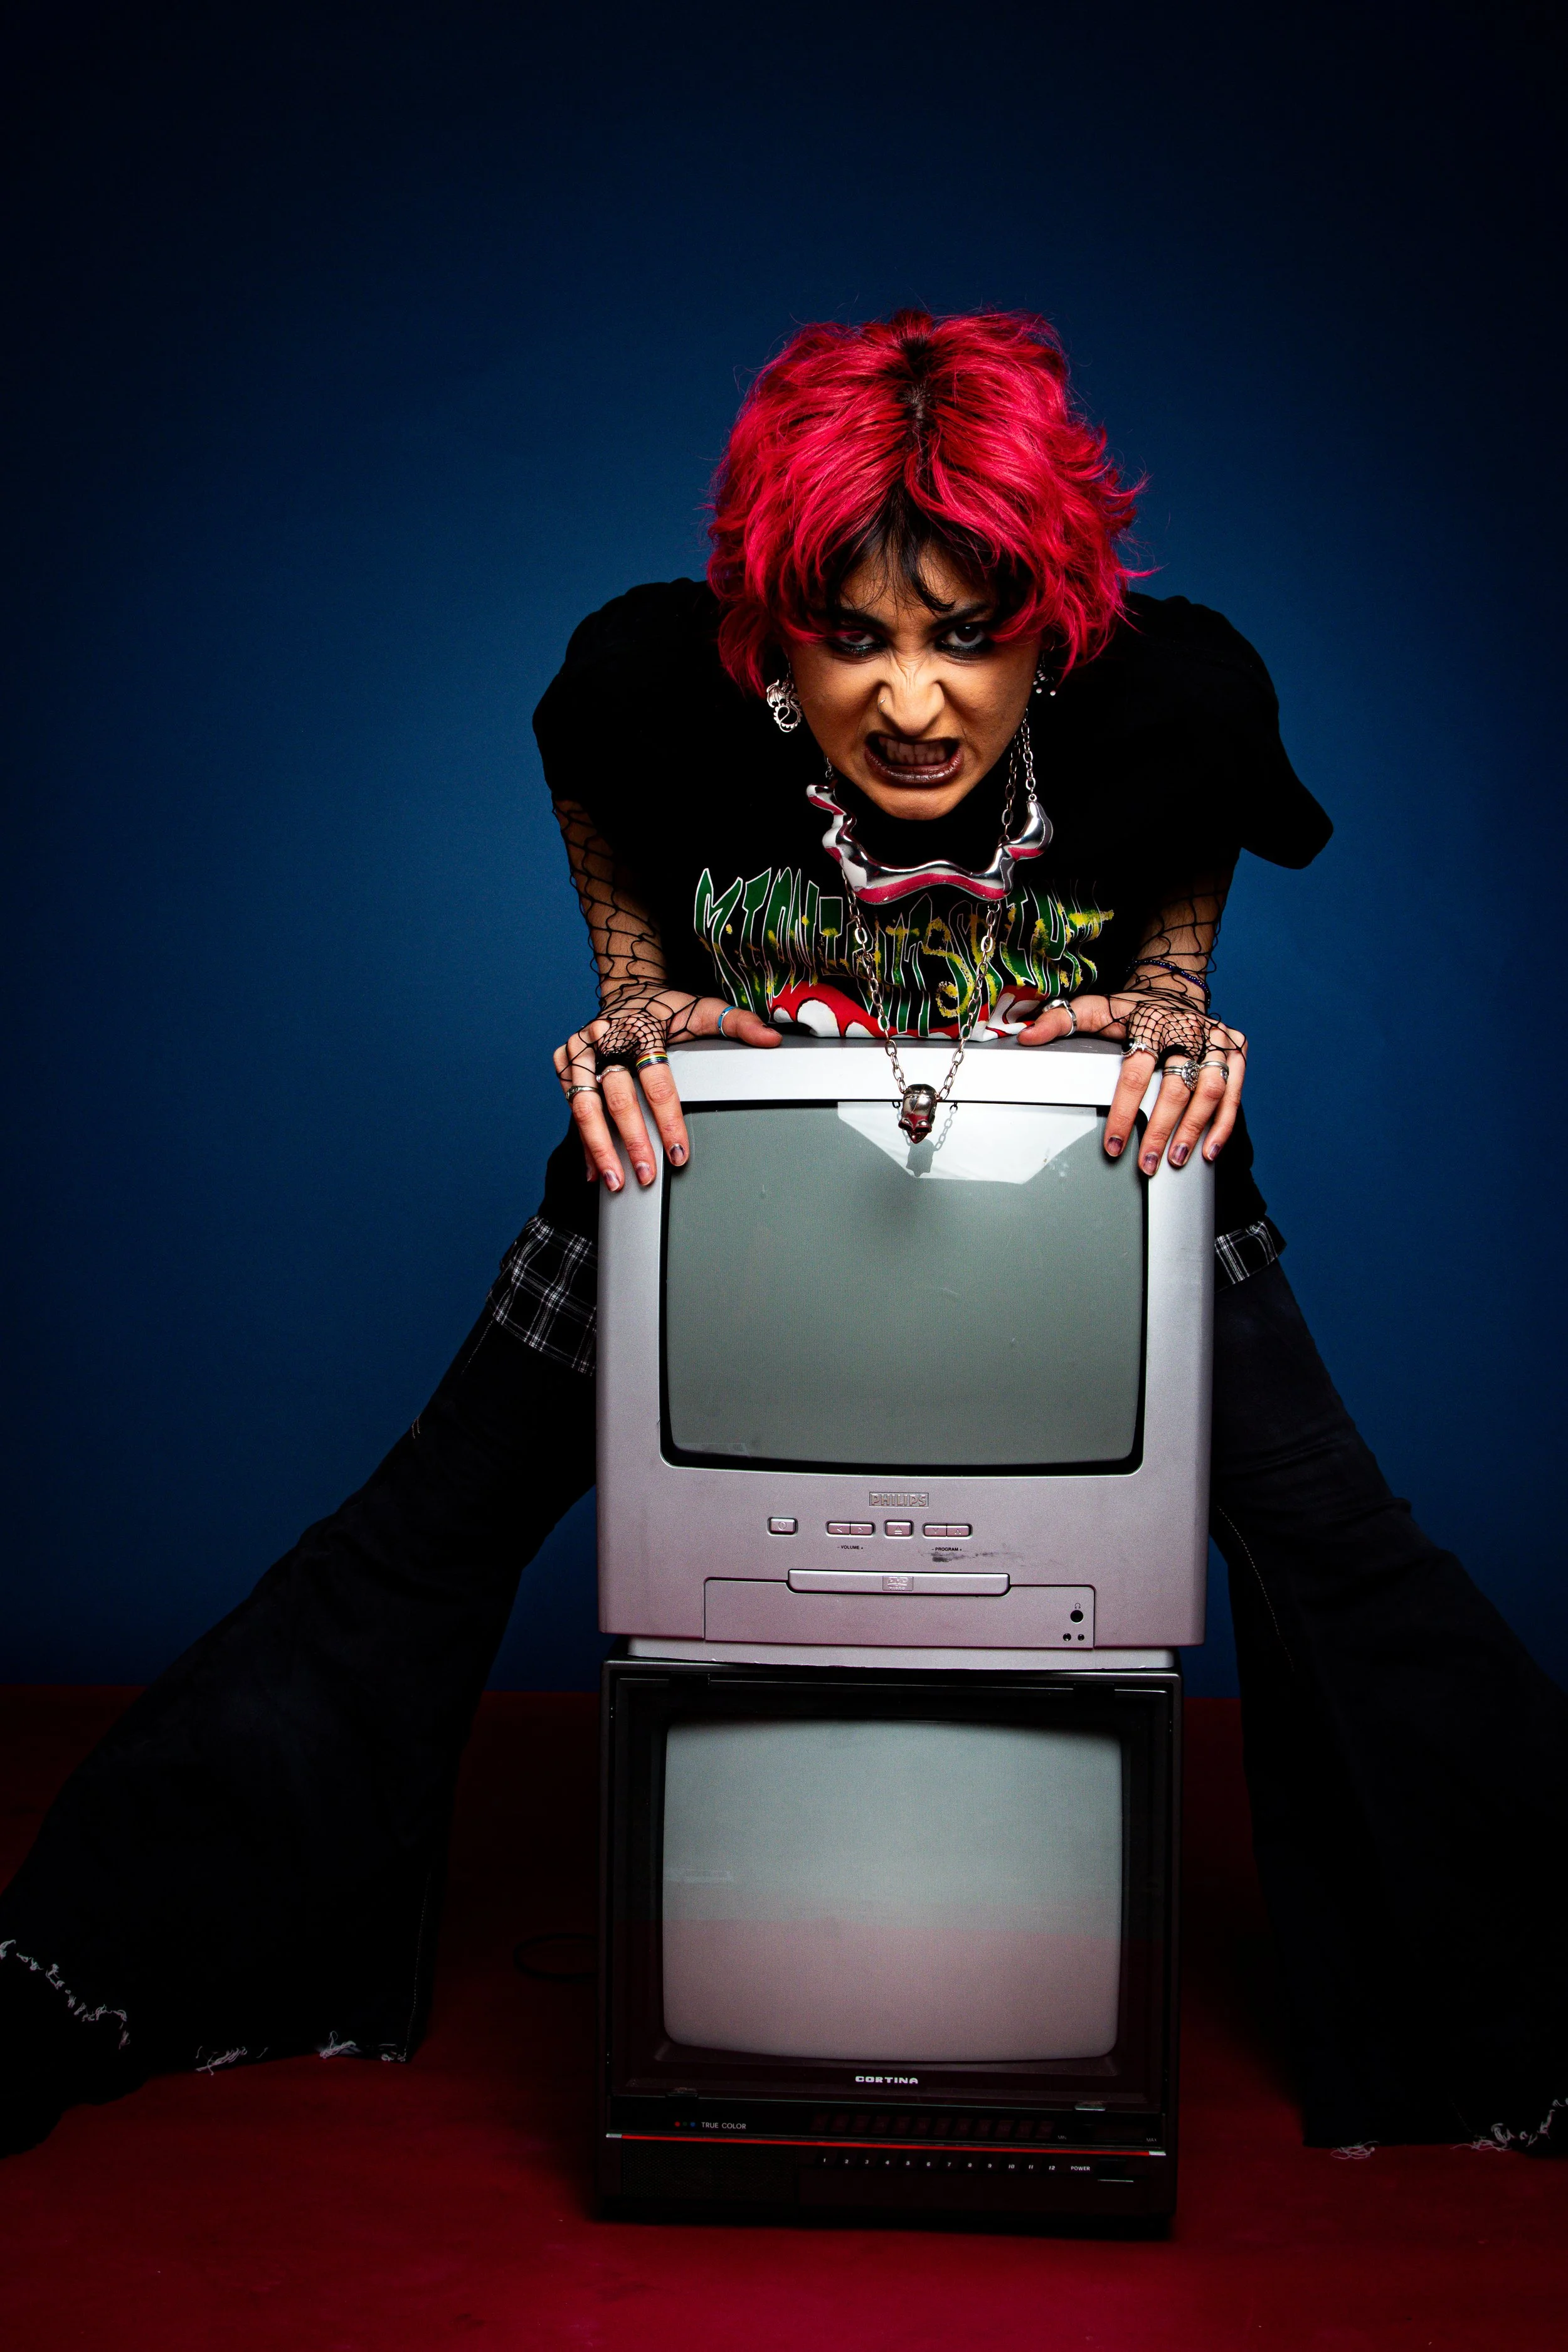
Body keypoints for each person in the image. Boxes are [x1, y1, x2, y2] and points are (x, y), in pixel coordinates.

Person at [3, 309, 1564, 2161]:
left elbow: (1193, 816)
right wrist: (634, 987)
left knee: (1345, 1555)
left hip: (1087, 1182)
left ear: (1047, 621)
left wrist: (1168, 984)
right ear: (772, 635)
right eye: (856, 638)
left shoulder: (1176, 694)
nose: (914, 700)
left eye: (969, 638)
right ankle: (76, 1977)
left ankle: (1527, 2033)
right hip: (720, 1179)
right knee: (417, 1538)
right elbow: (580, 757)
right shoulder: (649, 677)